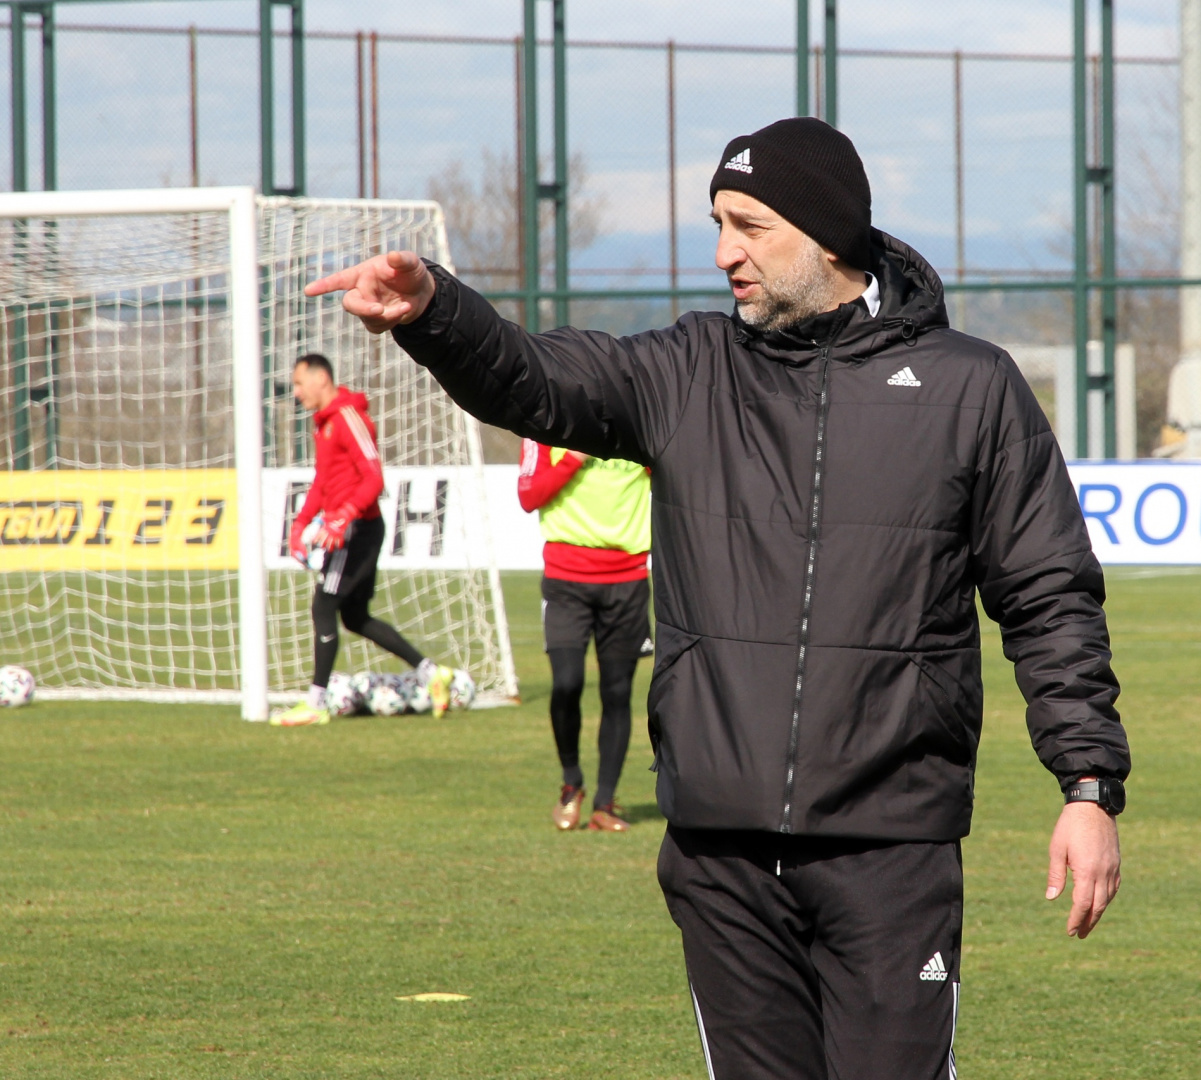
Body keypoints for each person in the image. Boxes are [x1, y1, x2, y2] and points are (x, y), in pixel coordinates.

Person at [309, 118, 1129, 1078]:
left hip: (891, 852)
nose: (724, 252)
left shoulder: (970, 388)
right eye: (718, 224)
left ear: (829, 235)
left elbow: (1050, 598)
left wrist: (1087, 787)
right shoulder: (687, 369)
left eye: (750, 225)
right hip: (720, 860)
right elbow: (537, 380)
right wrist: (434, 312)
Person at [272, 353, 454, 727]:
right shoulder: (323, 425)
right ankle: (432, 673)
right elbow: (323, 482)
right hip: (350, 528)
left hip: (356, 530)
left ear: (321, 379)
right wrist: (299, 525)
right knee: (354, 617)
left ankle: (316, 703)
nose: (297, 392)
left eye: (299, 383)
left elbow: (374, 478)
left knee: (324, 606)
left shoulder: (348, 418)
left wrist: (343, 517)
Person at [517, 438, 653, 832]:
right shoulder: (545, 427)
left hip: (628, 581)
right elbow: (529, 495)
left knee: (617, 693)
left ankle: (604, 804)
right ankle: (571, 783)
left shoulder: (637, 426)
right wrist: (575, 457)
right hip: (565, 581)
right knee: (567, 682)